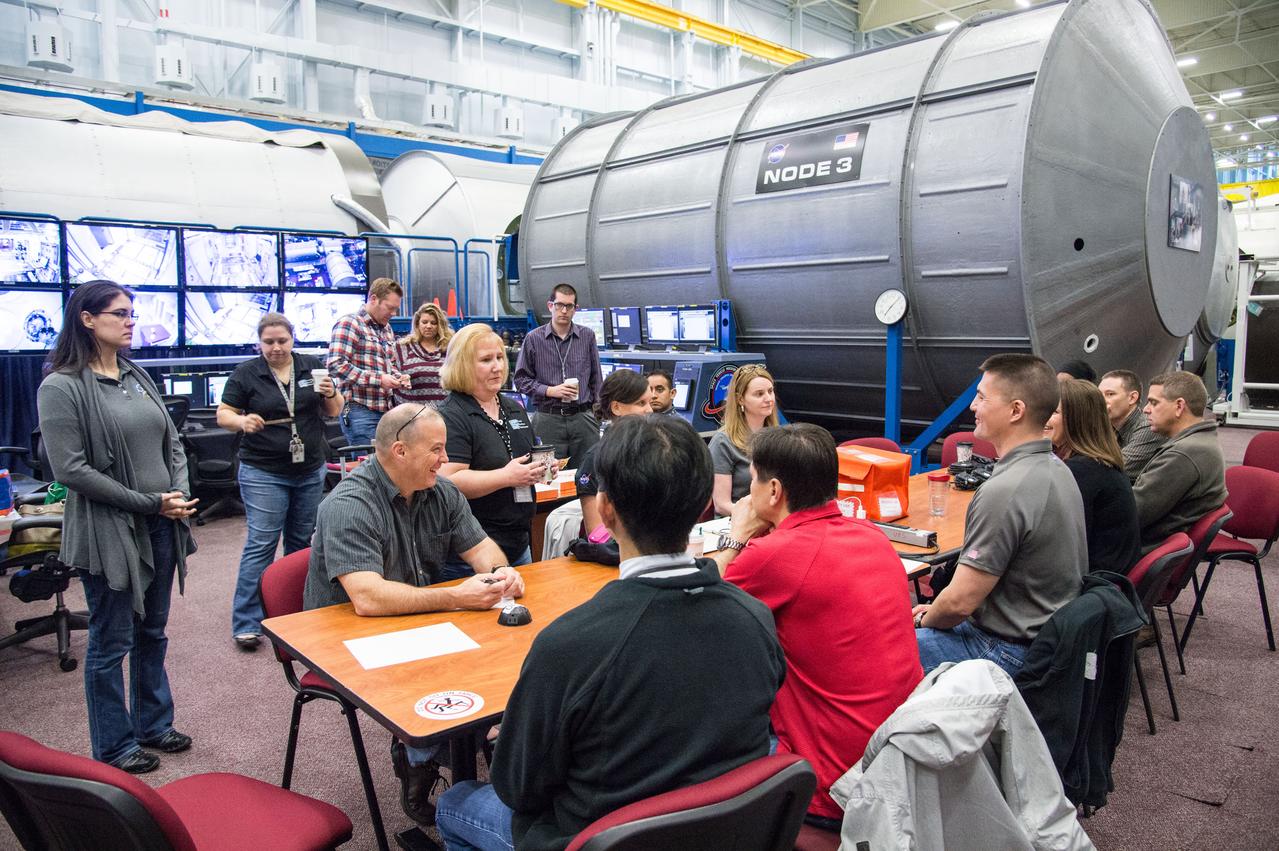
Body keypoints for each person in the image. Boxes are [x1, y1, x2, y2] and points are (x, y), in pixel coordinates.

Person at [434, 415, 785, 851]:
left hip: (596, 837)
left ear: (605, 509)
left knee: (454, 804)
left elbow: (517, 789)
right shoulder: (755, 618)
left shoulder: (569, 645)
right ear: (701, 507)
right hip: (724, 831)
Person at [303, 402, 524, 827]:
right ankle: (421, 757)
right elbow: (366, 598)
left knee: (497, 653)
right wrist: (457, 598)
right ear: (400, 451)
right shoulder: (350, 503)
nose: (446, 460)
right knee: (439, 669)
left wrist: (500, 573)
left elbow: (481, 549)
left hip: (413, 618)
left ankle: (477, 742)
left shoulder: (440, 490)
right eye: (437, 450)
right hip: (346, 635)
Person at [712, 423, 922, 825]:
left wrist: (737, 536)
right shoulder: (872, 534)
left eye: (752, 480)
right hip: (896, 757)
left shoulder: (772, 555)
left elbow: (702, 608)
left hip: (830, 785)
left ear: (773, 491)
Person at [37, 281, 199, 774]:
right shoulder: (61, 385)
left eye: (132, 312)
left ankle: (154, 723)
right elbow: (71, 471)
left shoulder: (135, 374)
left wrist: (174, 492)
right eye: (120, 313)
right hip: (110, 531)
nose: (131, 321)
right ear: (87, 319)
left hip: (160, 523)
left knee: (153, 630)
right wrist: (150, 503)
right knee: (112, 640)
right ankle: (114, 745)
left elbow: (172, 441)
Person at [913, 354, 1086, 677]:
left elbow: (959, 603)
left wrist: (926, 618)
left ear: (1016, 410)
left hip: (1005, 651)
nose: (973, 407)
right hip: (1045, 642)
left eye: (981, 397)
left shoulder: (1005, 489)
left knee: (877, 650)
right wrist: (938, 610)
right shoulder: (1057, 469)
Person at [217, 312, 344, 650]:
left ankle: (295, 615)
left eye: (282, 341)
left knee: (302, 543)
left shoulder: (311, 366)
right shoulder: (247, 373)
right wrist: (242, 422)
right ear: (259, 343)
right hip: (264, 471)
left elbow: (334, 411)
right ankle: (246, 621)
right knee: (262, 544)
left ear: (292, 340)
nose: (276, 348)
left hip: (308, 468)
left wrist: (332, 391)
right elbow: (223, 414)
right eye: (269, 342)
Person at [439, 323, 547, 573]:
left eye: (500, 357)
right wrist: (506, 477)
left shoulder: (512, 407)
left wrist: (539, 467)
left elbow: (523, 457)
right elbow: (448, 481)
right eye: (486, 360)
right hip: (472, 553)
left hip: (519, 543)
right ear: (463, 365)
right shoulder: (452, 415)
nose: (498, 366)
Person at [1044, 379, 1140, 574]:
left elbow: (1049, 540)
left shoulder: (1081, 471)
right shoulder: (1098, 461)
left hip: (1090, 582)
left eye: (1052, 412)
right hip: (1106, 573)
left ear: (1077, 419)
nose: (1040, 419)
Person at [1131, 370, 1227, 552]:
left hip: (1139, 549)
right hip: (1149, 543)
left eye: (1154, 402)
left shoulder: (1185, 454)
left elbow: (1132, 512)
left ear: (1179, 406)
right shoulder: (1198, 443)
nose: (1145, 409)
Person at [513, 283, 603, 468]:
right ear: (550, 306)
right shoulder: (533, 338)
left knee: (589, 474)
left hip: (582, 418)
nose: (564, 310)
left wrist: (596, 414)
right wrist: (550, 390)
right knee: (546, 476)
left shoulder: (587, 336)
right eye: (559, 305)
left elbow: (596, 378)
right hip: (548, 419)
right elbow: (521, 380)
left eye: (569, 306)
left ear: (575, 309)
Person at [327, 277, 408, 446]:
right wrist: (380, 380)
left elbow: (389, 365)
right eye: (390, 308)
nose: (393, 314)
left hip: (386, 411)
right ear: (373, 299)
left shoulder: (386, 329)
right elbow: (336, 364)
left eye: (396, 309)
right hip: (359, 410)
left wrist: (398, 377)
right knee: (368, 466)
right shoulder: (350, 324)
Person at [577, 369, 652, 534]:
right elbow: (597, 534)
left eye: (650, 403)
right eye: (641, 403)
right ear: (617, 408)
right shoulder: (595, 459)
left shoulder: (653, 449)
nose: (650, 410)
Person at [709, 363, 779, 516]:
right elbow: (721, 505)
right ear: (740, 399)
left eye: (770, 391)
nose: (768, 398)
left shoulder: (778, 437)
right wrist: (760, 515)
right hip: (735, 523)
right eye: (759, 394)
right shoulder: (722, 442)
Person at [1099, 369, 1165, 482]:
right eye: (1099, 395)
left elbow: (1116, 467)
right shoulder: (1106, 426)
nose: (1101, 401)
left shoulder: (1148, 426)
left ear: (1132, 398)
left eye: (1110, 394)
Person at [396, 301, 452, 407]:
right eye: (424, 322)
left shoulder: (450, 348)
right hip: (412, 416)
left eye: (433, 323)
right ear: (417, 324)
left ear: (440, 325)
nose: (429, 326)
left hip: (445, 415)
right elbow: (393, 375)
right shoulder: (403, 347)